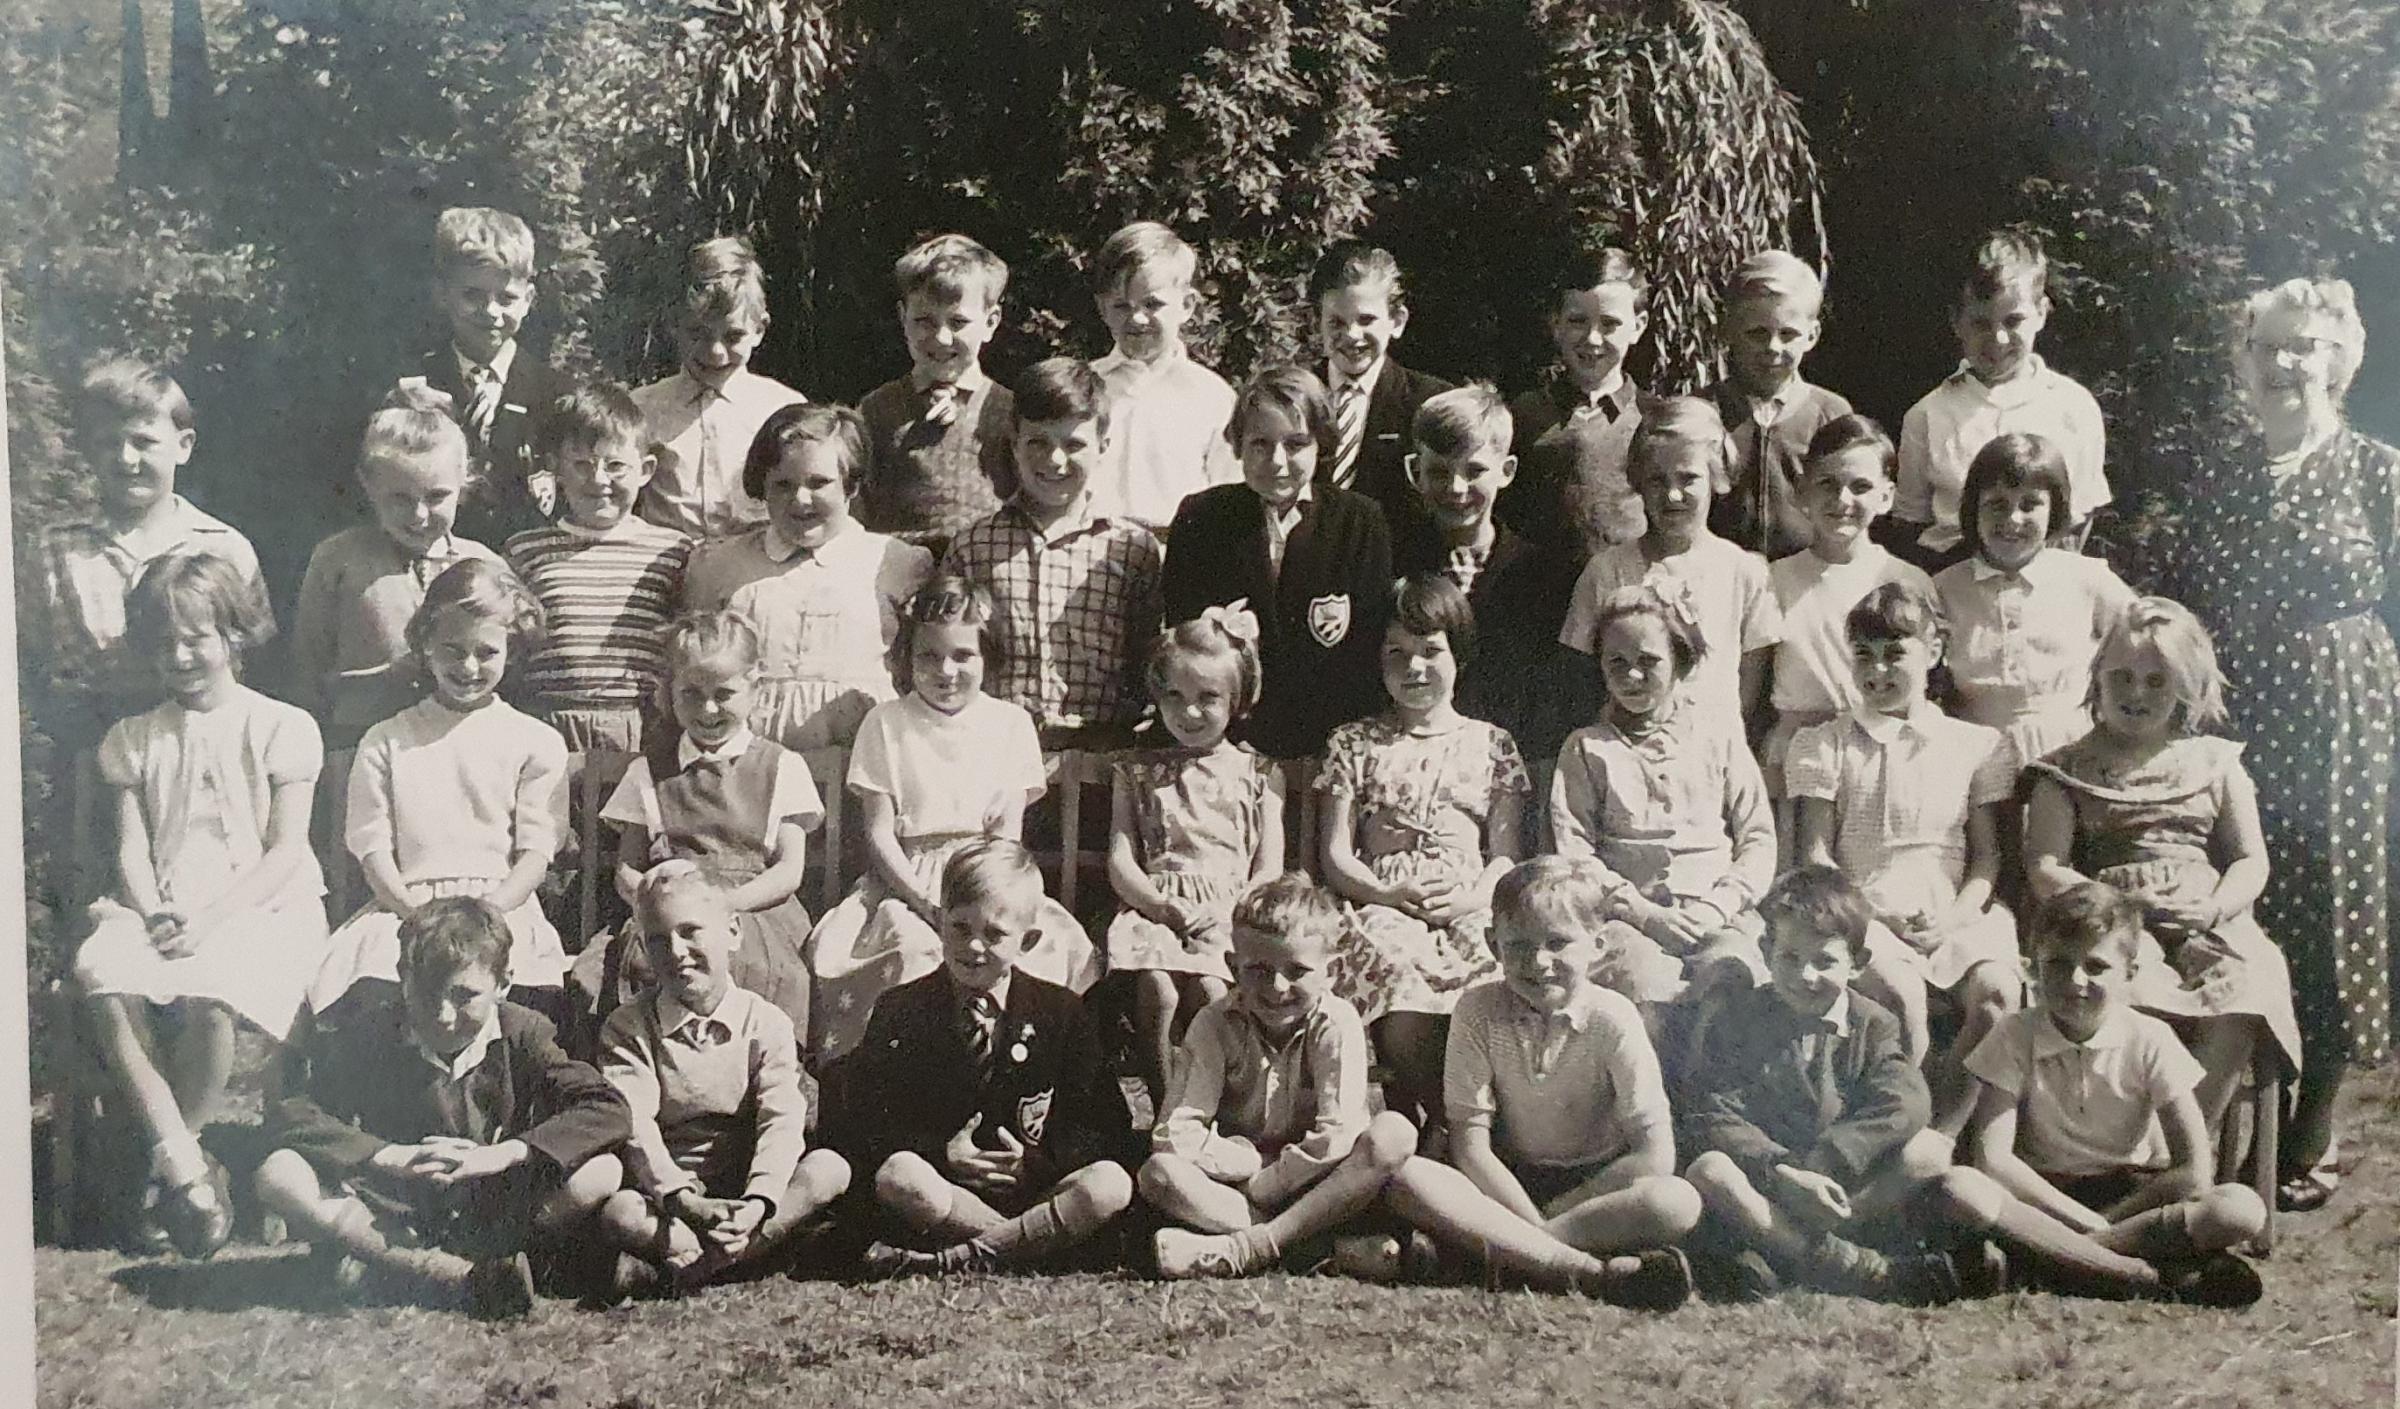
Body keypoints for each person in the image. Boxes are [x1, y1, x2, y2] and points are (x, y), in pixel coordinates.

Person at [2176, 275, 2396, 1212]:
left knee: (2333, 901)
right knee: (2247, 891)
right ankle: (2246, 1120)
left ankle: (2317, 1123)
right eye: (2269, 348)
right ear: (2246, 363)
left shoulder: (2377, 470)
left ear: (2340, 360)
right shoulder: (2222, 471)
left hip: (2343, 709)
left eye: (2305, 347)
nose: (2286, 365)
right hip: (2241, 706)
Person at [73, 555, 327, 1258]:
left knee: (212, 991)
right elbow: (132, 849)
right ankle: (186, 1164)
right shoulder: (133, 738)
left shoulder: (282, 726)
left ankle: (166, 1179)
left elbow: (284, 851)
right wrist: (155, 907)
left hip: (263, 903)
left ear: (234, 635)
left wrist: (210, 917)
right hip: (160, 903)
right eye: (163, 644)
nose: (180, 656)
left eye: (197, 638)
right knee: (104, 973)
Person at [258, 897, 627, 1319]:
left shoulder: (524, 1032)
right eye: (425, 993)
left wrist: (503, 1154)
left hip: (492, 1207)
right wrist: (387, 1154)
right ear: (401, 977)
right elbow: (291, 1110)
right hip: (397, 1208)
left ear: (503, 983)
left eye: (465, 996)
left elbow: (606, 1107)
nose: (443, 1016)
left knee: (602, 1171)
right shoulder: (366, 1033)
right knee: (279, 1173)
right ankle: (446, 1273)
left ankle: (463, 1263)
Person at [2024, 598, 2301, 1142]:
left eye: (2157, 681)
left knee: (2250, 983)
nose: (2136, 693)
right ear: (2097, 678)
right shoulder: (2065, 770)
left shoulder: (2214, 763)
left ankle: (2181, 1147)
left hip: (2205, 914)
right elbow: (2045, 866)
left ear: (2186, 687)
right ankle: (2117, 1146)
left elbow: (2250, 859)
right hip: (2111, 918)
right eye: (2122, 677)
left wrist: (2217, 906)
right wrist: (2122, 908)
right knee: (2125, 991)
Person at [1376, 858, 1699, 1307]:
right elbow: (1472, 1147)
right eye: (1520, 946)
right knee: (1407, 1178)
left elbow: (1655, 1153)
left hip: (1595, 1190)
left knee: (1676, 1201)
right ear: (1493, 944)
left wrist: (1546, 1225)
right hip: (1505, 1181)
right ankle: (1589, 1272)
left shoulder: (1614, 1018)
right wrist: (1528, 1215)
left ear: (1598, 946)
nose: (1539, 962)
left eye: (1558, 944)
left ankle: (1505, 1253)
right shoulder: (1477, 1010)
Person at [804, 578, 1099, 1064]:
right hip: (907, 881)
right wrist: (925, 901)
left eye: (963, 655)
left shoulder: (1009, 724)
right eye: (929, 656)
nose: (946, 670)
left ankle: (1017, 1070)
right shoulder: (887, 722)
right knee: (913, 951)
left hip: (990, 878)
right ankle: (914, 1077)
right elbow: (879, 832)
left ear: (988, 658)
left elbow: (1006, 836)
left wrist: (984, 899)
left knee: (1044, 947)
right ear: (908, 658)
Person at [1680, 867, 2002, 1305]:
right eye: (1790, 958)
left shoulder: (1873, 1023)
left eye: (1824, 961)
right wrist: (1786, 1172)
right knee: (1710, 1171)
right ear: (1766, 950)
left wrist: (1826, 1164)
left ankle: (1789, 1249)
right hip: (1771, 1183)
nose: (1806, 976)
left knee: (1928, 1152)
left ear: (1858, 963)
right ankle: (1864, 1269)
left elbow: (1905, 1102)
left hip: (1847, 1192)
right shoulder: (1740, 1019)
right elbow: (1715, 1112)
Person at [828, 840, 1138, 1276]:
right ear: (938, 922)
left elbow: (1105, 1125)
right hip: (948, 1196)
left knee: (1109, 1184)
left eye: (994, 934)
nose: (973, 946)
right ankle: (1033, 1245)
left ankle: (957, 1259)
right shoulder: (901, 1008)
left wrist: (1036, 1164)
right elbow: (869, 1121)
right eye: (959, 927)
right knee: (899, 1176)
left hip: (1038, 1188)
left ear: (1027, 940)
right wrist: (941, 1153)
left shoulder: (1061, 1011)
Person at [1960, 882, 2270, 1307]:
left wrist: (2101, 1227)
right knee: (1961, 1188)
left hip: (2131, 1196)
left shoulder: (2150, 1038)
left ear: (2130, 974)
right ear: (2031, 968)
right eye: (2058, 964)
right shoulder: (2014, 1035)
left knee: (2240, 1209)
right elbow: (1993, 1160)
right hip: (2044, 1196)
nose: (2075, 981)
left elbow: (2193, 1171)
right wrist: (2083, 1222)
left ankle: (2049, 1262)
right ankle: (2146, 1277)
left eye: (2096, 966)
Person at [1787, 581, 2021, 1123]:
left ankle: (1943, 1131)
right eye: (1864, 657)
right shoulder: (1828, 744)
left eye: (1895, 654)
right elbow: (1817, 857)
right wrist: (1875, 915)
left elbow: (1986, 859)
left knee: (1997, 992)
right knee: (1898, 992)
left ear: (1934, 651)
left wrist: (1953, 921)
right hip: (1861, 907)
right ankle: (1896, 1129)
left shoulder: (1972, 745)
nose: (1878, 671)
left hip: (1952, 908)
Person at [304, 560, 571, 1029]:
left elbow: (536, 852)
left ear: (512, 649)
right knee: (377, 979)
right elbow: (371, 847)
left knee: (515, 989)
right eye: (453, 649)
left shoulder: (535, 741)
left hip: (500, 905)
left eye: (486, 652)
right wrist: (413, 912)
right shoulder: (387, 739)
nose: (468, 666)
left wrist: (489, 910)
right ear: (426, 645)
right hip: (405, 905)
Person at [1319, 574, 1528, 1143]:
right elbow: (1336, 855)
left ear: (1458, 654)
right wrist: (1387, 894)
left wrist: (1471, 899)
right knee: (1396, 969)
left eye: (1431, 652)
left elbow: (1505, 856)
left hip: (1467, 900)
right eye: (1397, 654)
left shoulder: (1492, 744)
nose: (1414, 668)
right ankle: (1449, 1131)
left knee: (1486, 974)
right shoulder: (1353, 743)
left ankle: (1453, 1134)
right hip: (1379, 901)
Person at [1139, 874, 1420, 1280]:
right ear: (1232, 966)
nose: (1277, 987)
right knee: (1159, 1174)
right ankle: (1317, 1247)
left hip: (1318, 1182)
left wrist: (1271, 1182)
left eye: (1297, 970)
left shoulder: (1337, 1022)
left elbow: (1338, 1135)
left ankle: (1245, 1247)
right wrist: (1246, 1162)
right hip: (1240, 1184)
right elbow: (1175, 1133)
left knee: (1393, 1135)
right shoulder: (1214, 1023)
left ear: (1333, 971)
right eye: (1257, 970)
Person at [592, 866, 851, 1295]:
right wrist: (683, 1200)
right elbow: (636, 1125)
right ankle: (744, 1258)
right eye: (658, 940)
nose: (676, 951)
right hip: (672, 1198)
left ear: (732, 932)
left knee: (829, 1170)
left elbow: (781, 1117)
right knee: (621, 1213)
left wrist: (759, 1200)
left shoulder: (766, 1021)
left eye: (691, 931)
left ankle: (695, 1267)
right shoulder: (628, 1027)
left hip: (744, 1191)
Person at [570, 611, 821, 1048]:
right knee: (605, 975)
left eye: (724, 693)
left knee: (764, 973)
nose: (708, 709)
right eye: (692, 693)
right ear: (669, 692)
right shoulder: (650, 770)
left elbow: (788, 870)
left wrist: (725, 905)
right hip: (667, 908)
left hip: (752, 909)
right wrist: (655, 896)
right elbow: (627, 869)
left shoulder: (781, 766)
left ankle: (759, 1083)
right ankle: (645, 1080)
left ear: (754, 690)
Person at [1551, 583, 1773, 1026]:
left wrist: (1717, 907)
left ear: (1679, 661)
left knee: (1733, 981)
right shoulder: (1586, 749)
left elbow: (1758, 839)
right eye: (1617, 663)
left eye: (1648, 662)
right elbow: (1575, 855)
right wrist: (1645, 915)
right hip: (1626, 922)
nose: (1632, 677)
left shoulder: (1719, 737)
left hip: (1716, 916)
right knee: (1646, 991)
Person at [32, 358, 272, 755]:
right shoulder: (56, 547)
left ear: (183, 446)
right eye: (109, 443)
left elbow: (255, 664)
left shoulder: (224, 547)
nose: (126, 459)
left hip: (204, 746)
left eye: (143, 442)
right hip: (88, 748)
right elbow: (31, 663)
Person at [1161, 364, 1393, 760]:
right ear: (1237, 446)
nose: (1278, 461)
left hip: (1326, 748)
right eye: (1260, 444)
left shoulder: (1359, 521)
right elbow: (1185, 641)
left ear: (1322, 444)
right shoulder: (1202, 519)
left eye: (1296, 443)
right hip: (1226, 747)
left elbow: (1366, 651)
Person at [1105, 608, 1284, 1108]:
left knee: (1211, 988)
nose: (1189, 713)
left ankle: (1216, 1108)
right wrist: (1160, 907)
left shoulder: (1259, 773)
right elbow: (1121, 858)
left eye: (1208, 698)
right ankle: (1166, 1107)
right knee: (1158, 989)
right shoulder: (1137, 771)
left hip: (1230, 911)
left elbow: (1268, 868)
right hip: (1154, 905)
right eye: (1175, 697)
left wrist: (1234, 910)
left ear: (1237, 699)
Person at [682, 402, 934, 750]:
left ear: (852, 486)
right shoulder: (721, 565)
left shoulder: (896, 564)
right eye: (783, 485)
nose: (800, 500)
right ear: (763, 486)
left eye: (819, 483)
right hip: (749, 759)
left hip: (859, 755)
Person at [941, 357, 1163, 749]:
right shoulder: (972, 548)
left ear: (1103, 446)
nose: (1055, 460)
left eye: (1073, 444)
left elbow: (1147, 663)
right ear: (1014, 444)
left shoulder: (1131, 548)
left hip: (1101, 753)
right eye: (1038, 442)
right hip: (994, 750)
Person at [290, 383, 506, 755]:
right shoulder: (338, 559)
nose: (419, 515)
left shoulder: (487, 566)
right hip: (359, 749)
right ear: (369, 486)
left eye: (437, 497)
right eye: (400, 499)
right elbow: (307, 674)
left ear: (464, 482)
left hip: (461, 752)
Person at [1558, 397, 1783, 742]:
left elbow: (1747, 697)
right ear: (1638, 484)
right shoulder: (1607, 571)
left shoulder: (1743, 573)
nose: (1673, 495)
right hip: (1626, 755)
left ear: (1717, 479)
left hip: (1712, 753)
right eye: (1657, 481)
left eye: (1688, 478)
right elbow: (1580, 683)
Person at [1392, 383, 1591, 762]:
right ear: (1414, 470)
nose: (1456, 487)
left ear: (1507, 470)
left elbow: (1550, 699)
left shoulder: (1544, 575)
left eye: (1474, 470)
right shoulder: (1395, 562)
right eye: (1438, 472)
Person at [1893, 226, 2109, 572]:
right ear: (1956, 321)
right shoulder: (1927, 414)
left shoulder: (2074, 408)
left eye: (2014, 321)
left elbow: (2080, 519)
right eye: (1980, 322)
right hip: (1953, 586)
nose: (1998, 338)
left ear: (2041, 313)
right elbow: (1909, 525)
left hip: (2045, 585)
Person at [501, 380, 691, 757]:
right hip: (546, 724)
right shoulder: (525, 550)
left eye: (616, 466)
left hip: (641, 725)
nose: (599, 480)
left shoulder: (672, 550)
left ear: (646, 469)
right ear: (556, 467)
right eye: (583, 465)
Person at [1759, 415, 1932, 824]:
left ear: (1887, 497)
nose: (1842, 500)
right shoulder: (1772, 580)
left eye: (1860, 487)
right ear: (1802, 492)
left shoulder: (1906, 580)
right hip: (1795, 750)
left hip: (1883, 749)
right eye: (1827, 484)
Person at [1932, 432, 2136, 768]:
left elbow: (2149, 638)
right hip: (1974, 754)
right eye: (1997, 504)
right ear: (1973, 509)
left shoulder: (2086, 579)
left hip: (2072, 749)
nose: (2012, 519)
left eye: (2029, 505)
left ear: (2054, 510)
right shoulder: (1944, 589)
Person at [633, 235, 807, 540]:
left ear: (759, 330)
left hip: (755, 569)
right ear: (674, 325)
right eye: (697, 333)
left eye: (733, 336)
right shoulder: (642, 408)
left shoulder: (785, 409)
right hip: (668, 569)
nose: (715, 352)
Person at [415, 206, 571, 547]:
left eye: (506, 298)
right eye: (472, 295)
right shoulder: (416, 387)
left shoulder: (558, 393)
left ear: (528, 300)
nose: (491, 312)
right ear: (442, 294)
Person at [858, 233, 1017, 553]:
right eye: (924, 321)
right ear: (903, 319)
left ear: (990, 322)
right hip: (894, 572)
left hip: (981, 569)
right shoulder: (877, 409)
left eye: (958, 322)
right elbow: (856, 505)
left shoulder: (1010, 410)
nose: (942, 338)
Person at [1497, 247, 1654, 561]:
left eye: (1609, 324)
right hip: (1542, 596)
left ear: (1637, 326)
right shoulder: (1524, 415)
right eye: (1578, 321)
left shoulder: (1655, 419)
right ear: (1556, 325)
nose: (1593, 339)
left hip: (1627, 594)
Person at [1701, 251, 1855, 561]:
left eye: (1788, 334)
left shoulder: (1831, 414)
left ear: (1811, 336)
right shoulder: (1703, 411)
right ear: (1728, 330)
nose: (1773, 347)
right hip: (1720, 579)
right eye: (1757, 333)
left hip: (1804, 581)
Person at [1086, 220, 1239, 530]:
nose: (1137, 318)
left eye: (1152, 304)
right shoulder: (1085, 386)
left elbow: (1231, 497)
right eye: (1121, 306)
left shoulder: (1212, 397)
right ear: (1102, 309)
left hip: (1178, 560)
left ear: (1186, 305)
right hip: (1089, 557)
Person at [1308, 239, 1450, 530]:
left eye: (1366, 320)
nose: (1352, 335)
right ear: (1316, 324)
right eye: (1336, 322)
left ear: (1396, 321)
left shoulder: (1430, 402)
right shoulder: (1296, 396)